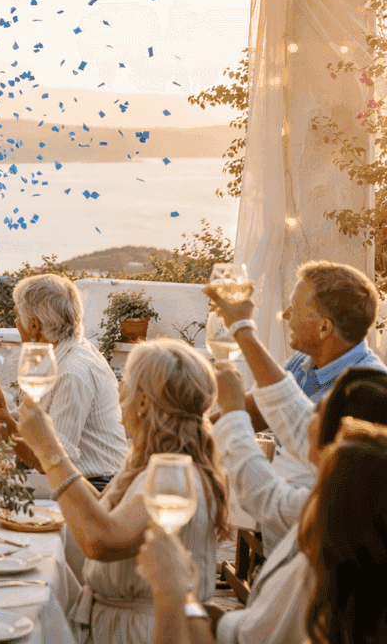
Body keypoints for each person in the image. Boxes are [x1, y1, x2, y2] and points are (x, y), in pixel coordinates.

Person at [16, 339, 229, 644]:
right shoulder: (149, 463)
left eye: (125, 383)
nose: (118, 392)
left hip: (146, 633)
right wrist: (42, 449)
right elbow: (100, 510)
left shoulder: (176, 478)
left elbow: (101, 538)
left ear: (143, 402)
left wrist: (51, 450)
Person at [138, 417, 387, 644]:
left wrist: (173, 589)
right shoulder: (358, 604)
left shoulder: (312, 582)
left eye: (320, 488)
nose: (308, 498)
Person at [205, 363, 387, 642]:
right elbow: (292, 417)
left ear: (341, 436)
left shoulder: (327, 543)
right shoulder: (360, 507)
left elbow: (269, 497)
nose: (307, 415)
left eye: (316, 409)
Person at [205, 260, 384, 490]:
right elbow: (259, 409)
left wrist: (241, 327)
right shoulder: (303, 362)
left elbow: (320, 468)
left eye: (294, 308)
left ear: (324, 328)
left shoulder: (367, 390)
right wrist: (188, 433)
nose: (286, 315)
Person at [0, 274, 128, 490]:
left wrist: (4, 420)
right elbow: (38, 431)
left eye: (16, 315)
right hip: (74, 482)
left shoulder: (72, 372)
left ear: (33, 325)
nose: (15, 322)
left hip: (97, 489)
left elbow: (52, 462)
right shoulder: (61, 352)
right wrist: (4, 422)